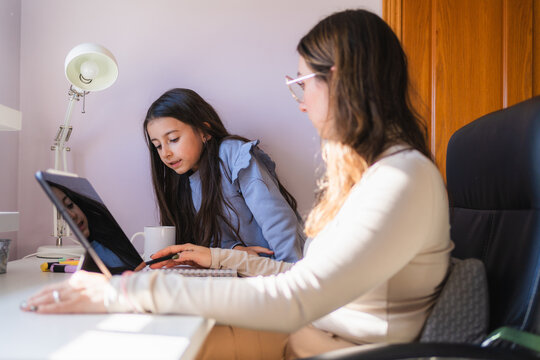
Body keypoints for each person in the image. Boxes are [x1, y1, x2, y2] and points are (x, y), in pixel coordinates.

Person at [22, 9, 453, 359]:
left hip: (339, 347)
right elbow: (303, 277)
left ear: (342, 81)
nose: (300, 102)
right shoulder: (376, 177)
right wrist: (216, 259)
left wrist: (128, 289)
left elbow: (297, 297)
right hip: (311, 333)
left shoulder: (401, 179)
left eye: (302, 83)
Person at [143, 88, 305, 262]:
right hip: (246, 272)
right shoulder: (185, 183)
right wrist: (236, 249)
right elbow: (211, 241)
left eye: (173, 139)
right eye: (158, 146)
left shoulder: (233, 154)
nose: (165, 153)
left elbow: (276, 218)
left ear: (204, 131)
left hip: (282, 268)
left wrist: (290, 270)